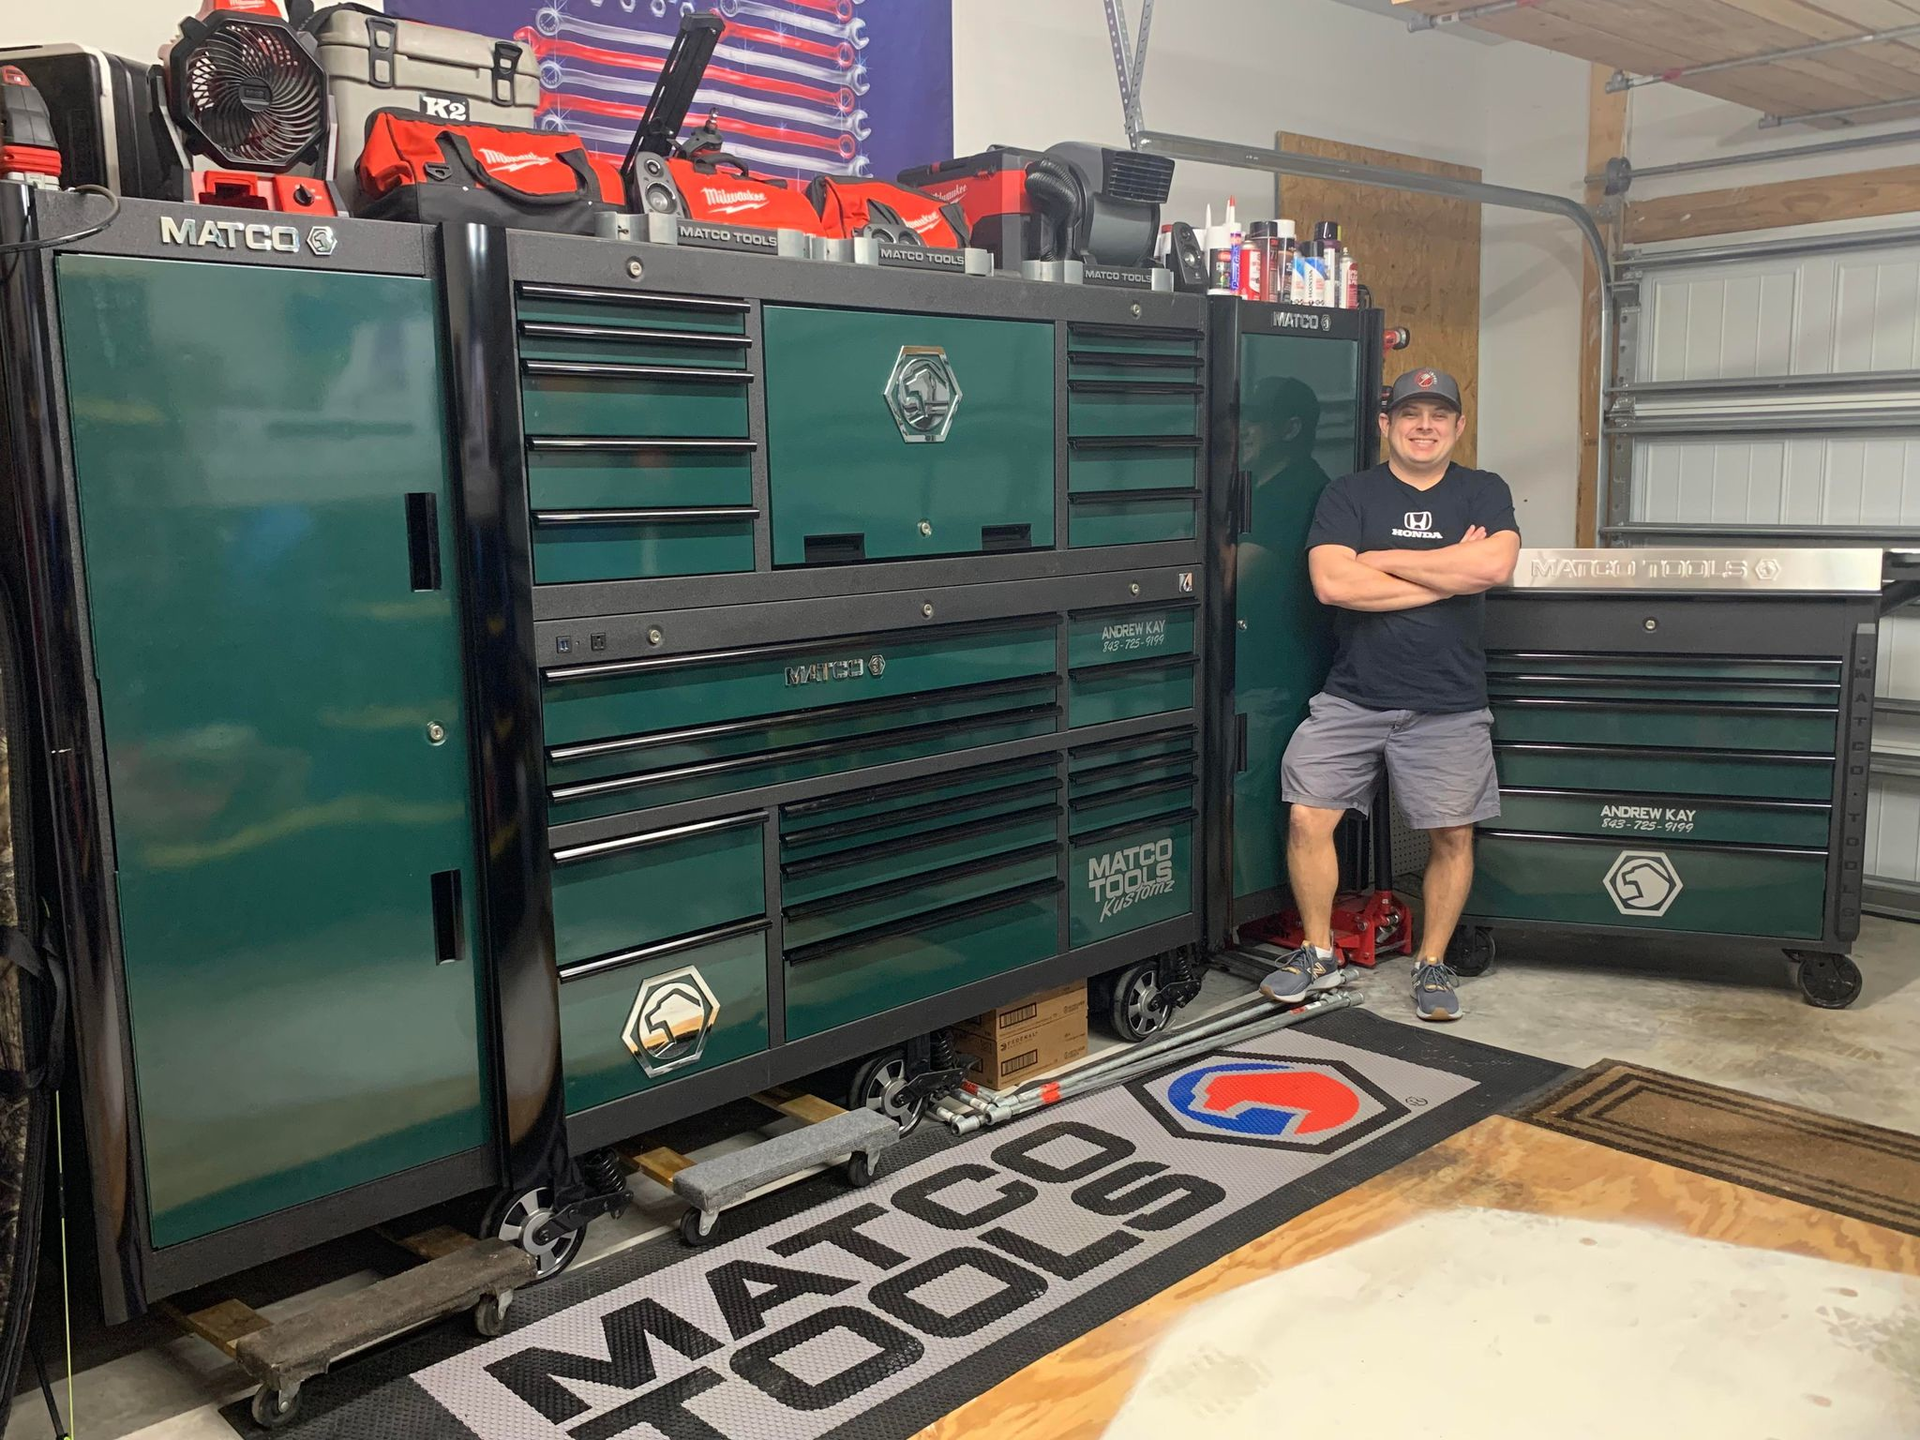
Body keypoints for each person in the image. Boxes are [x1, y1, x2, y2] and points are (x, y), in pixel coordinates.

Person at [1259, 368, 1520, 1021]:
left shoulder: (1483, 492)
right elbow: (1332, 585)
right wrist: (1446, 575)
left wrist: (1376, 558)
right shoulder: (1349, 494)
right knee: (1305, 816)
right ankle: (1318, 951)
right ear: (1386, 425)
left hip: (1449, 701)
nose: (1424, 426)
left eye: (1438, 415)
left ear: (1458, 426)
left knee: (1452, 836)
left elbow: (1494, 566)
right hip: (1354, 695)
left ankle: (1431, 963)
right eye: (1410, 414)